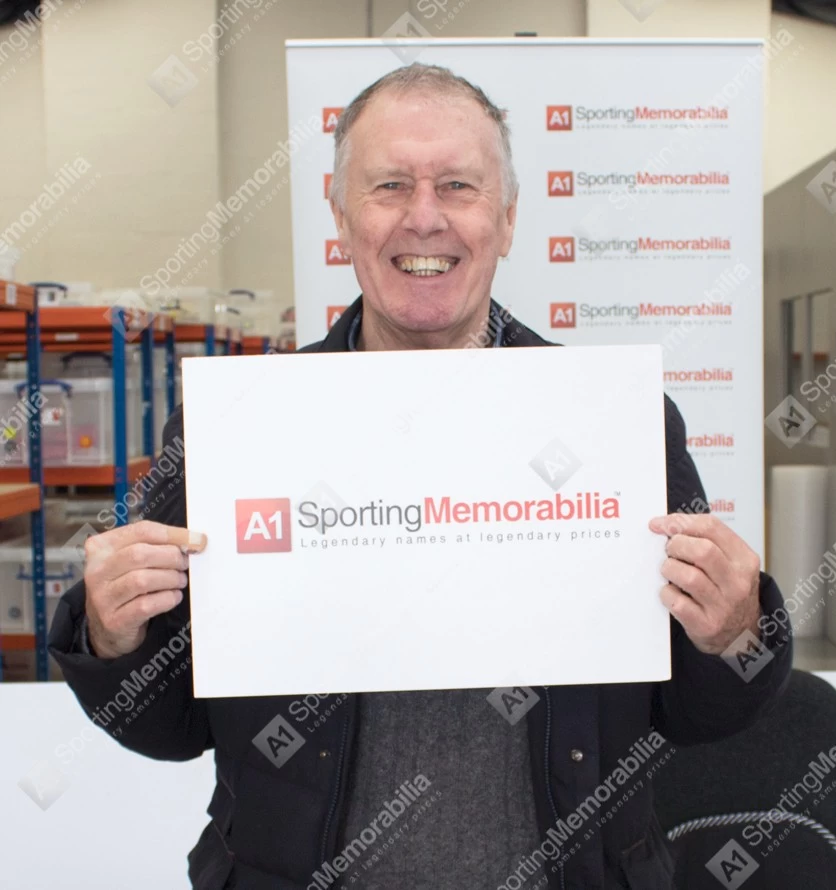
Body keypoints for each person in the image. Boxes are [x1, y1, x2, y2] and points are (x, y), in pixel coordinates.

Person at [50, 64, 792, 890]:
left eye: (459, 186)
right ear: (340, 217)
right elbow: (168, 724)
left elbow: (699, 713)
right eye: (390, 185)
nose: (425, 216)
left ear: (506, 220)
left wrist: (735, 634)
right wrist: (113, 636)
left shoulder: (617, 424)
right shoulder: (239, 429)